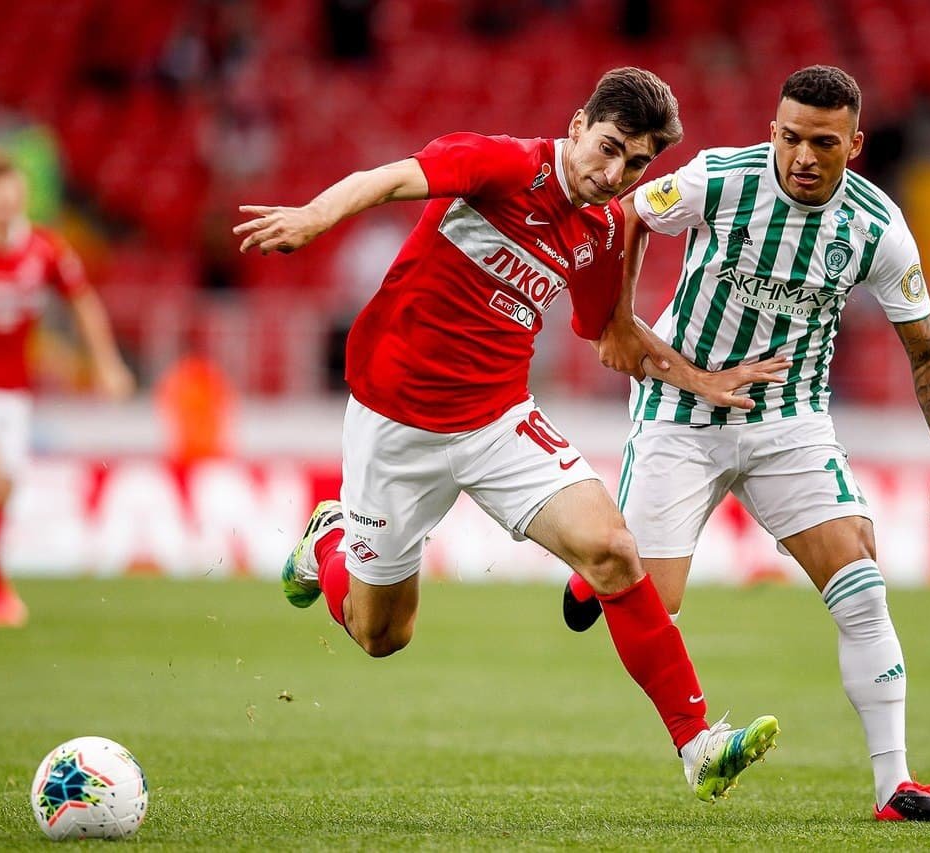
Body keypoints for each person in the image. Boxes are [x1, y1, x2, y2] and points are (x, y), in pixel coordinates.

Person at [234, 67, 791, 801]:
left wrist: (703, 380)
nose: (614, 174)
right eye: (609, 147)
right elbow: (389, 178)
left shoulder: (600, 232)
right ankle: (328, 543)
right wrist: (314, 216)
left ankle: (699, 743)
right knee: (381, 635)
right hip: (396, 423)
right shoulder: (501, 164)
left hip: (499, 421)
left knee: (612, 550)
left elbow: (613, 337)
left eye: (635, 163)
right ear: (577, 125)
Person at [561, 65, 930, 822]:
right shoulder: (720, 180)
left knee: (861, 580)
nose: (803, 157)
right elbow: (628, 215)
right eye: (790, 138)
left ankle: (894, 786)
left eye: (824, 143)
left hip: (790, 420)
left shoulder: (877, 227)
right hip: (680, 409)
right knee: (650, 604)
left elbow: (927, 353)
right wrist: (618, 324)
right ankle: (600, 575)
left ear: (855, 143)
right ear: (772, 131)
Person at [0, 145, 134, 627]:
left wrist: (106, 362)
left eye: (14, 194)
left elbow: (83, 303)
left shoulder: (45, 250)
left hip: (13, 392)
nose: (8, 203)